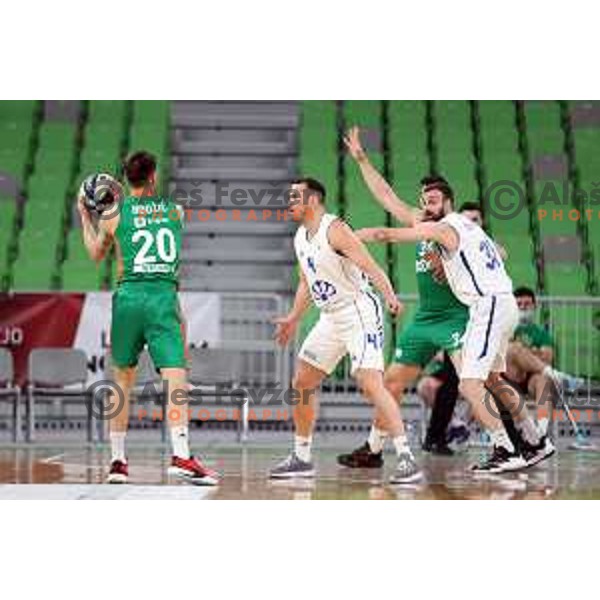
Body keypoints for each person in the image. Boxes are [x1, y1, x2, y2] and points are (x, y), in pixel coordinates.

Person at [343, 127, 554, 473]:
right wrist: (363, 159)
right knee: (406, 381)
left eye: (434, 200)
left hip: (465, 315)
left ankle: (507, 449)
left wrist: (351, 239)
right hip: (430, 317)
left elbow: (386, 233)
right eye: (424, 201)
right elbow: (385, 195)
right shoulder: (429, 222)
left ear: (449, 202)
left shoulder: (448, 227)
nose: (427, 206)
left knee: (471, 384)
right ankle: (375, 447)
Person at [78, 151, 218, 485]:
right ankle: (182, 454)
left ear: (126, 179)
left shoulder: (113, 214)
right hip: (161, 296)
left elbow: (96, 255)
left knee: (121, 382)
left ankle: (117, 462)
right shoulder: (176, 211)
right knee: (175, 378)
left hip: (127, 299)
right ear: (153, 176)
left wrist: (86, 216)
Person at [269, 177, 422, 483]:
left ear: (313, 200)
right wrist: (293, 318)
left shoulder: (335, 229)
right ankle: (301, 456)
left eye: (295, 197)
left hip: (358, 310)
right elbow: (305, 283)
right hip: (330, 317)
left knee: (370, 383)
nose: (289, 202)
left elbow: (370, 265)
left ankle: (407, 457)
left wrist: (390, 295)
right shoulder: (300, 237)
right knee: (302, 381)